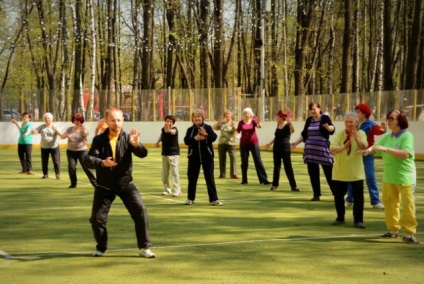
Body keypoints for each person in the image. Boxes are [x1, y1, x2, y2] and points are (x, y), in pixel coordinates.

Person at [83, 107, 156, 257]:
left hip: (125, 184)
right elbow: (88, 160)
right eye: (112, 120)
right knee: (97, 219)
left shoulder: (128, 138)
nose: (116, 123)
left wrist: (136, 145)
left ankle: (144, 248)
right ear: (106, 121)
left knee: (140, 210)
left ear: (123, 120)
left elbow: (143, 154)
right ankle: (101, 247)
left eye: (118, 120)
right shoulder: (99, 140)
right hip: (104, 185)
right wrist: (102, 162)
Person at [359, 109, 419, 244]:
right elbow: (375, 147)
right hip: (389, 178)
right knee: (390, 205)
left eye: (391, 118)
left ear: (400, 120)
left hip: (405, 178)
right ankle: (393, 231)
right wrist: (367, 150)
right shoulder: (389, 136)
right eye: (388, 118)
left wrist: (385, 149)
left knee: (408, 206)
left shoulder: (407, 136)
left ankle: (409, 234)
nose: (388, 121)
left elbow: (405, 154)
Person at [330, 112, 368, 228]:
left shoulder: (361, 133)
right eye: (346, 122)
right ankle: (340, 218)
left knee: (358, 197)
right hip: (340, 170)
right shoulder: (340, 134)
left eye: (351, 122)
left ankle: (358, 220)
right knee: (338, 196)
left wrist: (356, 139)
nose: (348, 124)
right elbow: (332, 149)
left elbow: (365, 147)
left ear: (356, 123)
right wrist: (343, 147)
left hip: (356, 171)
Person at [291, 102, 335, 201]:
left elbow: (332, 129)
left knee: (329, 173)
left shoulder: (324, 118)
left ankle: (336, 193)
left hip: (323, 151)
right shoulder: (309, 120)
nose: (313, 111)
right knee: (313, 174)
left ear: (319, 109)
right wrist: (296, 143)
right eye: (311, 109)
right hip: (310, 152)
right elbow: (304, 133)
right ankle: (316, 194)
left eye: (314, 109)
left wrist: (328, 128)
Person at [345, 104, 386, 209]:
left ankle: (375, 201)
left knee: (370, 177)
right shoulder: (354, 123)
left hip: (367, 154)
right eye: (356, 111)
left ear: (364, 113)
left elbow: (379, 130)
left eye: (358, 111)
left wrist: (384, 129)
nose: (356, 113)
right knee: (352, 177)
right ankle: (349, 199)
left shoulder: (371, 124)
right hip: (354, 154)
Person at [184, 109, 222, 206]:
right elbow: (186, 141)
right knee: (192, 178)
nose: (197, 118)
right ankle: (190, 198)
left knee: (209, 177)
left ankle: (213, 199)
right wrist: (195, 138)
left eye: (199, 116)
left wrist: (206, 134)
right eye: (195, 117)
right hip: (193, 158)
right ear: (192, 119)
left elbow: (214, 137)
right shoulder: (190, 130)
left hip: (207, 157)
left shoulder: (208, 127)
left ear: (202, 118)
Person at [59, 113, 96, 188]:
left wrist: (83, 131)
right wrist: (67, 135)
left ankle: (95, 183)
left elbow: (85, 135)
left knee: (86, 167)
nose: (77, 121)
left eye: (78, 120)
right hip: (71, 151)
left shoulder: (84, 128)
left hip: (82, 151)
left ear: (81, 121)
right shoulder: (69, 129)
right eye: (75, 120)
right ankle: (73, 183)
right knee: (71, 167)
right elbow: (62, 136)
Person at [265, 110, 299, 191]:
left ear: (280, 117)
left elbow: (293, 131)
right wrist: (270, 143)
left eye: (277, 116)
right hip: (276, 148)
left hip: (285, 148)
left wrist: (290, 122)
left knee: (288, 166)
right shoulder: (278, 125)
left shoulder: (287, 125)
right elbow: (276, 137)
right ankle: (275, 185)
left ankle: (293, 186)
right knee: (276, 166)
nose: (276, 118)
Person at [236, 107, 270, 185]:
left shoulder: (253, 121)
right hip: (244, 144)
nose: (246, 115)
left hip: (254, 143)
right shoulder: (241, 122)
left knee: (258, 160)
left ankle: (263, 179)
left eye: (248, 113)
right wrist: (237, 135)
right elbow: (238, 130)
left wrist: (259, 122)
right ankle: (244, 180)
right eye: (245, 113)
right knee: (244, 162)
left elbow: (258, 126)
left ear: (251, 115)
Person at [156, 115, 181, 197]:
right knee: (164, 174)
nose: (169, 122)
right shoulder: (163, 129)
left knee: (174, 173)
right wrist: (158, 142)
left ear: (173, 123)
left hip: (173, 155)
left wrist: (168, 130)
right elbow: (162, 134)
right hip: (164, 154)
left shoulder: (175, 129)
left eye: (170, 121)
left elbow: (172, 132)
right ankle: (167, 189)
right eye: (167, 121)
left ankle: (177, 191)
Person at [32, 112, 62, 179]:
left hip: (54, 146)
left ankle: (57, 174)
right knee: (44, 161)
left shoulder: (55, 126)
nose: (47, 119)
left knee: (56, 161)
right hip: (44, 147)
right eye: (45, 118)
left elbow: (60, 134)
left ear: (51, 119)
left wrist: (56, 130)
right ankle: (45, 174)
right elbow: (36, 131)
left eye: (48, 118)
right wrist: (33, 131)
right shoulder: (42, 126)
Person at [213, 110, 239, 179]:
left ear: (231, 115)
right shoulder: (222, 123)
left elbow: (236, 131)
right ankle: (222, 174)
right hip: (222, 143)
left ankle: (233, 174)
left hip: (231, 143)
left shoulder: (233, 123)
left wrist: (234, 127)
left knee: (233, 157)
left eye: (229, 114)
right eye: (226, 114)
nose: (228, 115)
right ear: (224, 115)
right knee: (222, 159)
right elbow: (214, 127)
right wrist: (219, 121)